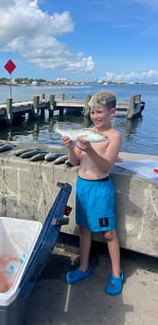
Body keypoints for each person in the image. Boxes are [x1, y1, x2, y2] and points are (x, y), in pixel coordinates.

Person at [62, 90, 123, 295]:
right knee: (84, 229)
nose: (95, 116)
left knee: (108, 232)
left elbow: (106, 166)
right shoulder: (85, 132)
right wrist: (71, 147)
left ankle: (116, 273)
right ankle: (83, 267)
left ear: (112, 112)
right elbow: (74, 162)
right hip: (83, 186)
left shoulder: (114, 136)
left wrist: (89, 150)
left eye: (99, 112)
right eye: (92, 112)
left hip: (100, 189)